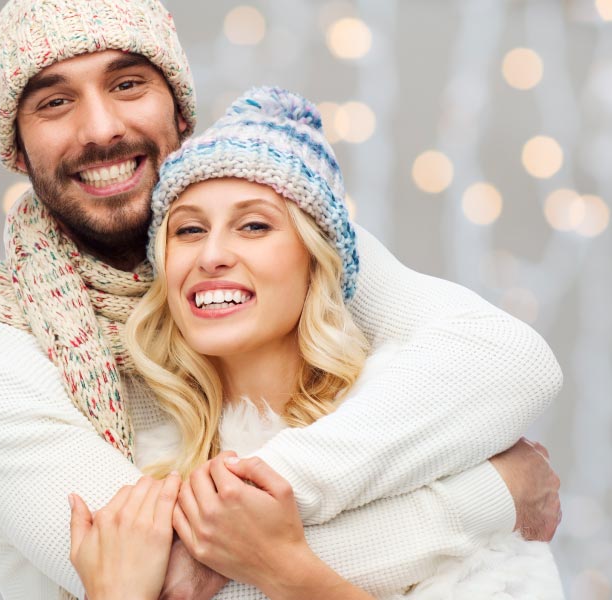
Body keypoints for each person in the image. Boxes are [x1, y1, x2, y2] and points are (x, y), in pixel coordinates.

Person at [0, 1, 563, 598]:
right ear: (17, 148)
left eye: (128, 83)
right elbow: (174, 577)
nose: (100, 127)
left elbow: (510, 362)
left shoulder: (275, 240)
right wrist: (491, 495)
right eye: (54, 101)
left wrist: (261, 502)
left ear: (179, 108)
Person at [67, 87, 563, 599]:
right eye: (189, 230)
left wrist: (289, 569)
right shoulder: (136, 465)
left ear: (315, 262)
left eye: (254, 225)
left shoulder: (418, 431)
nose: (212, 254)